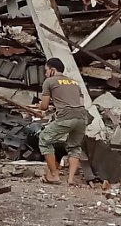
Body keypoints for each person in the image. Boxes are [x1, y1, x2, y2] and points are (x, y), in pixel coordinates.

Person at [38, 58, 90, 186]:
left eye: (46, 70)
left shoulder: (49, 81)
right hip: (82, 117)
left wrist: (41, 106)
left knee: (44, 140)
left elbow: (44, 106)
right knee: (74, 147)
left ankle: (54, 175)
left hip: (66, 117)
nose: (45, 73)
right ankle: (71, 179)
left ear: (52, 70)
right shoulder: (74, 82)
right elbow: (80, 103)